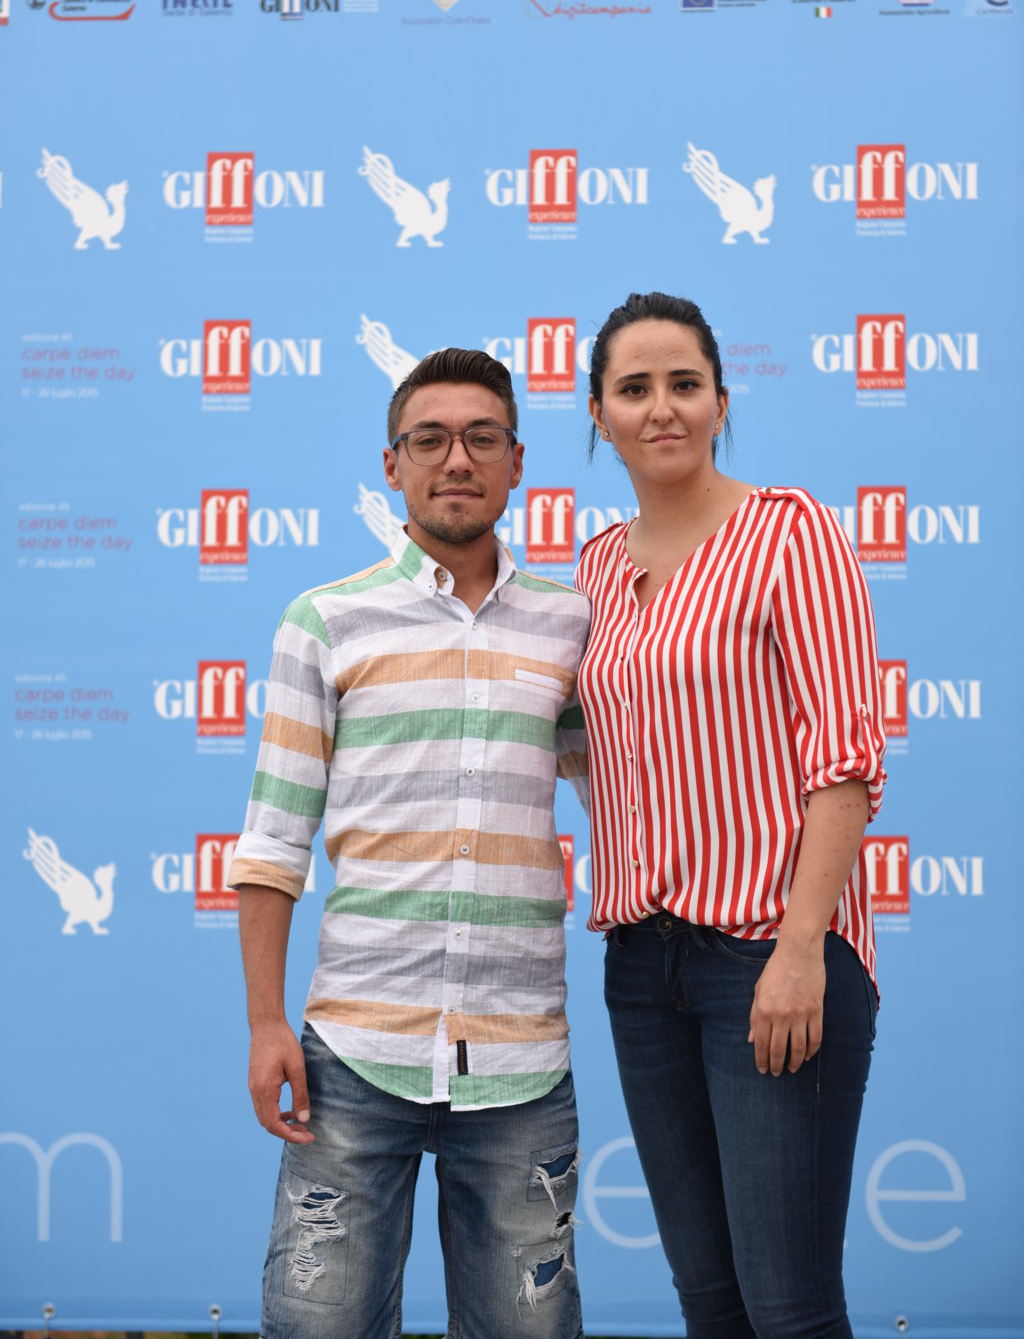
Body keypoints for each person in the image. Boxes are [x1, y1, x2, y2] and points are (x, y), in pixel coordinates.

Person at [228, 348, 590, 1339]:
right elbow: (271, 842)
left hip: (523, 1060)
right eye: (428, 439)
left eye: (481, 438)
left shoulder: (573, 626)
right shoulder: (325, 623)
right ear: (392, 465)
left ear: (518, 462)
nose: (456, 459)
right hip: (354, 1056)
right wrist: (268, 1027)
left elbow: (632, 788)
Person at [575, 292, 886, 1339]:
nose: (660, 407)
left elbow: (843, 763)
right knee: (710, 1306)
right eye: (634, 388)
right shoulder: (595, 571)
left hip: (770, 957)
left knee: (788, 1308)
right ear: (598, 414)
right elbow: (600, 751)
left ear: (718, 401)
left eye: (683, 384)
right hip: (640, 970)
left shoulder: (792, 534)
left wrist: (802, 947)